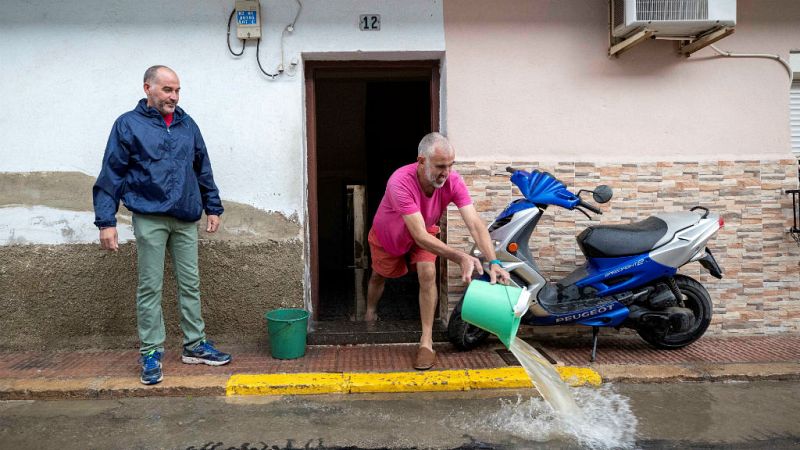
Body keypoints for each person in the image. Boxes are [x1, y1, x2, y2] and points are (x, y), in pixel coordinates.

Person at [93, 65, 231, 386]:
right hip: (149, 216)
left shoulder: (187, 124)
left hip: (185, 216)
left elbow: (202, 168)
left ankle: (195, 345)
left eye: (177, 90)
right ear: (148, 88)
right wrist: (106, 221)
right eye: (167, 90)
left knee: (190, 284)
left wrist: (213, 207)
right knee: (149, 287)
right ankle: (152, 351)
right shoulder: (128, 125)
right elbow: (111, 173)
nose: (174, 96)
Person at [365, 132, 510, 370]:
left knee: (428, 273)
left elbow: (474, 223)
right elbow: (418, 235)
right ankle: (370, 313)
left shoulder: (453, 181)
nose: (447, 172)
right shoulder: (399, 181)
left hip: (424, 230)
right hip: (388, 237)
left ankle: (426, 341)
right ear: (421, 161)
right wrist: (460, 256)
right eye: (441, 166)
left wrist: (494, 262)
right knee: (378, 276)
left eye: (451, 165)